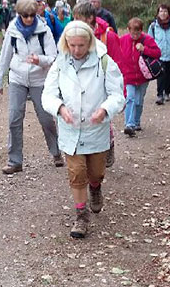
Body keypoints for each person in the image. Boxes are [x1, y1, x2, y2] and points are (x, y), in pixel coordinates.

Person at [42, 21, 125, 239]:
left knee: (95, 172)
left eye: (81, 45)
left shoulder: (104, 62)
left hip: (96, 129)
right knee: (77, 172)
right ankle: (81, 216)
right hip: (71, 129)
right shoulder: (59, 64)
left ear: (89, 43)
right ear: (66, 44)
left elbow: (118, 95)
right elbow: (47, 95)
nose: (76, 50)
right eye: (72, 45)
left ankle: (96, 187)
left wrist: (105, 109)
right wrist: (59, 108)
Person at [0, 0, 63, 174]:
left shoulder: (43, 30)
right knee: (14, 119)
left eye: (32, 15)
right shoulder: (12, 30)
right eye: (25, 15)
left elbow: (54, 57)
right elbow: (5, 56)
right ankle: (15, 161)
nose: (29, 19)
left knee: (46, 118)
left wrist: (39, 60)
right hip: (17, 78)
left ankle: (56, 152)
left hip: (39, 79)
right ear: (19, 14)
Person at [72, 1, 121, 167]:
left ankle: (108, 146)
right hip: (82, 84)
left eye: (78, 19)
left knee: (102, 119)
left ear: (90, 18)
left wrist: (120, 93)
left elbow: (117, 64)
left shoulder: (108, 35)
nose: (74, 23)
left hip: (103, 83)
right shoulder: (73, 36)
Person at [118, 18, 161, 136]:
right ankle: (129, 124)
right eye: (132, 33)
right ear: (128, 30)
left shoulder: (147, 39)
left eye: (137, 33)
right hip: (129, 76)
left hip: (143, 77)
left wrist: (144, 49)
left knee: (139, 101)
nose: (135, 36)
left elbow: (158, 53)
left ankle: (136, 122)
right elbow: (116, 55)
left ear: (141, 31)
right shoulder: (122, 40)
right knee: (130, 98)